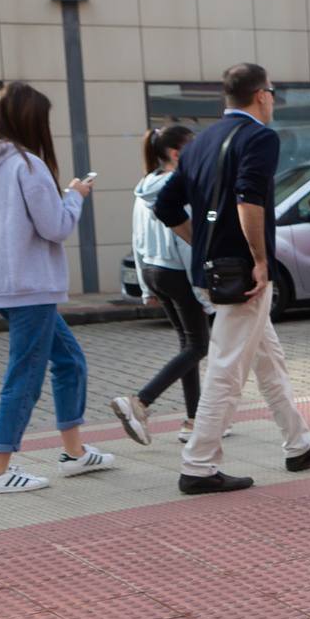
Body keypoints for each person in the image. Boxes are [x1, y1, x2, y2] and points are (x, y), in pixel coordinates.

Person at [151, 62, 310, 494]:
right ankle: (198, 466)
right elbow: (248, 199)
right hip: (244, 274)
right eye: (272, 92)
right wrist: (259, 258)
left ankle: (299, 444)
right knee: (226, 369)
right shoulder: (259, 137)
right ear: (261, 94)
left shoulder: (200, 142)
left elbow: (166, 206)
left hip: (215, 268)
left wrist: (201, 241)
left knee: (268, 361)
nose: (273, 100)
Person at [0, 81, 115, 495]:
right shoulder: (27, 165)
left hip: (0, 287)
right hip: (31, 287)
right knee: (25, 375)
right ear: (31, 120)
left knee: (69, 360)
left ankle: (75, 453)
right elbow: (55, 227)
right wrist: (74, 196)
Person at [108, 125, 211, 448]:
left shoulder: (144, 188)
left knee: (188, 346)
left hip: (154, 271)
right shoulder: (178, 188)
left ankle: (194, 419)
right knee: (199, 346)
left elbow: (137, 240)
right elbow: (187, 242)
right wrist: (202, 287)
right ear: (177, 154)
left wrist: (144, 286)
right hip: (177, 271)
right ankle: (140, 401)